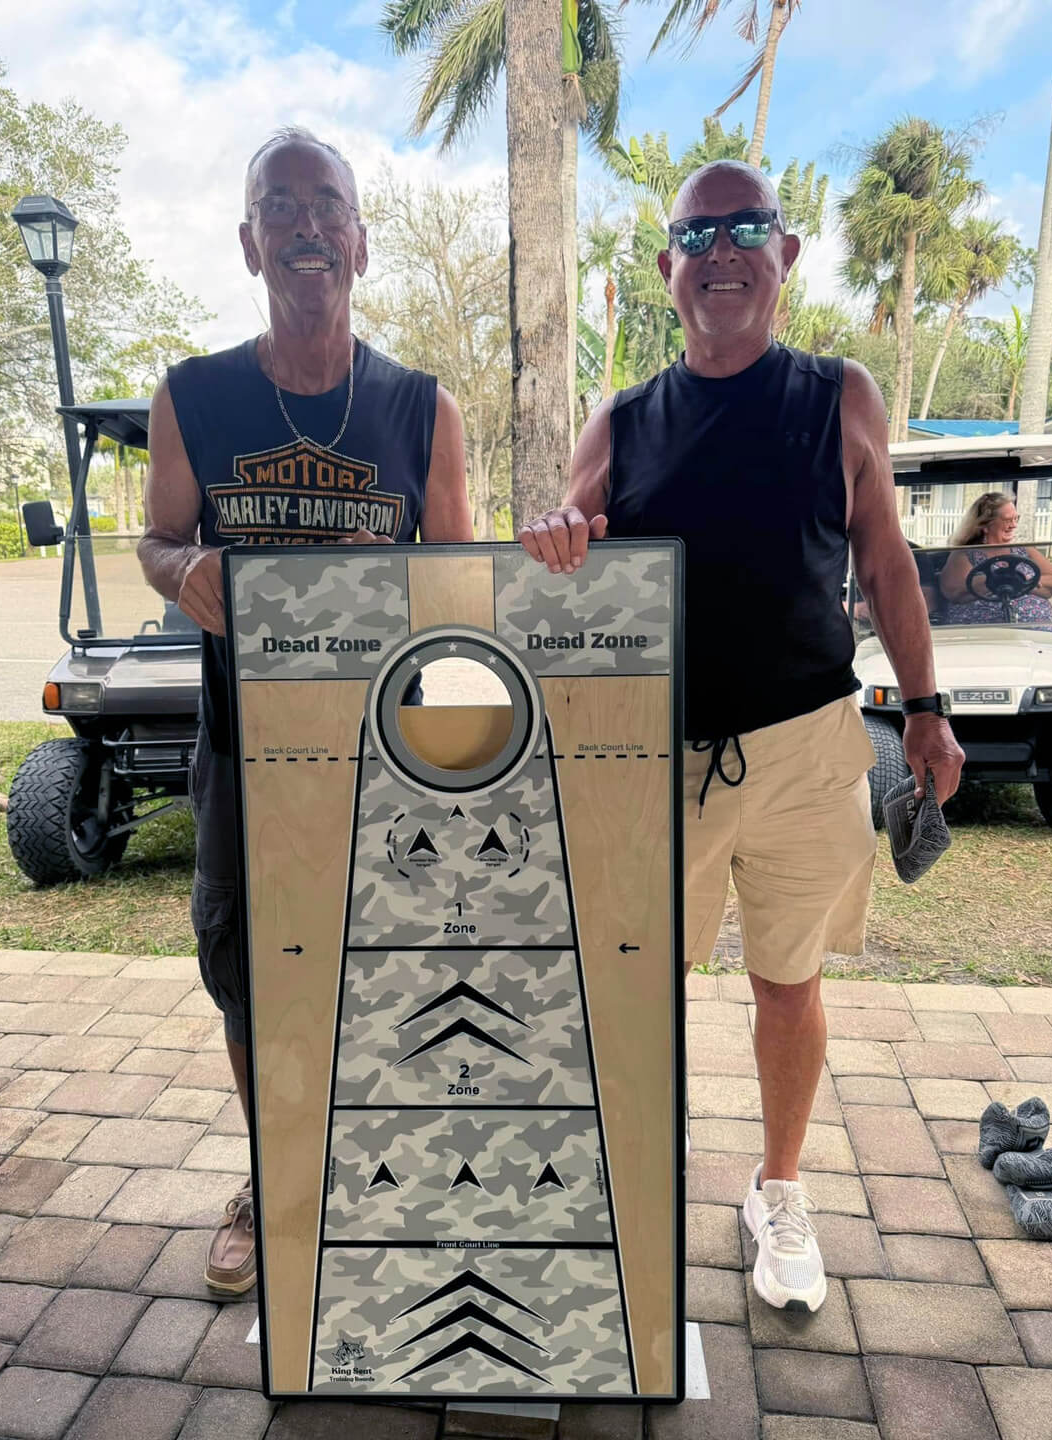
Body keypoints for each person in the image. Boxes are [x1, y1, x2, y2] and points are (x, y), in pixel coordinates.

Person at [519, 160, 964, 1315]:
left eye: (747, 229)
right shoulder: (621, 421)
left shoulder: (842, 396)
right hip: (653, 763)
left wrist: (927, 708)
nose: (722, 251)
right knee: (630, 989)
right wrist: (558, 538)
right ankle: (620, 1194)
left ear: (785, 254)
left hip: (809, 750)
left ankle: (779, 1189)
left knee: (788, 984)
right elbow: (565, 563)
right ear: (667, 266)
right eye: (697, 234)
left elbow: (887, 563)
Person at [138, 127, 472, 1295]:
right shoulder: (192, 397)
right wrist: (186, 569)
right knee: (245, 972)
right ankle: (274, 1170)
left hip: (388, 763)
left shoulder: (422, 409)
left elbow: (461, 592)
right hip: (245, 755)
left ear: (361, 242)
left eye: (326, 203)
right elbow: (156, 538)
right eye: (277, 207)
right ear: (249, 244)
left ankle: (386, 1174)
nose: (305, 225)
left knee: (394, 973)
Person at [938, 492, 1052, 625]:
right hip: (986, 629)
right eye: (1008, 520)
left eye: (1016, 519)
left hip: (1037, 626)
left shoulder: (1025, 550)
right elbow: (954, 592)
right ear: (985, 526)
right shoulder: (965, 554)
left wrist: (1022, 581)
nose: (1014, 525)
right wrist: (995, 580)